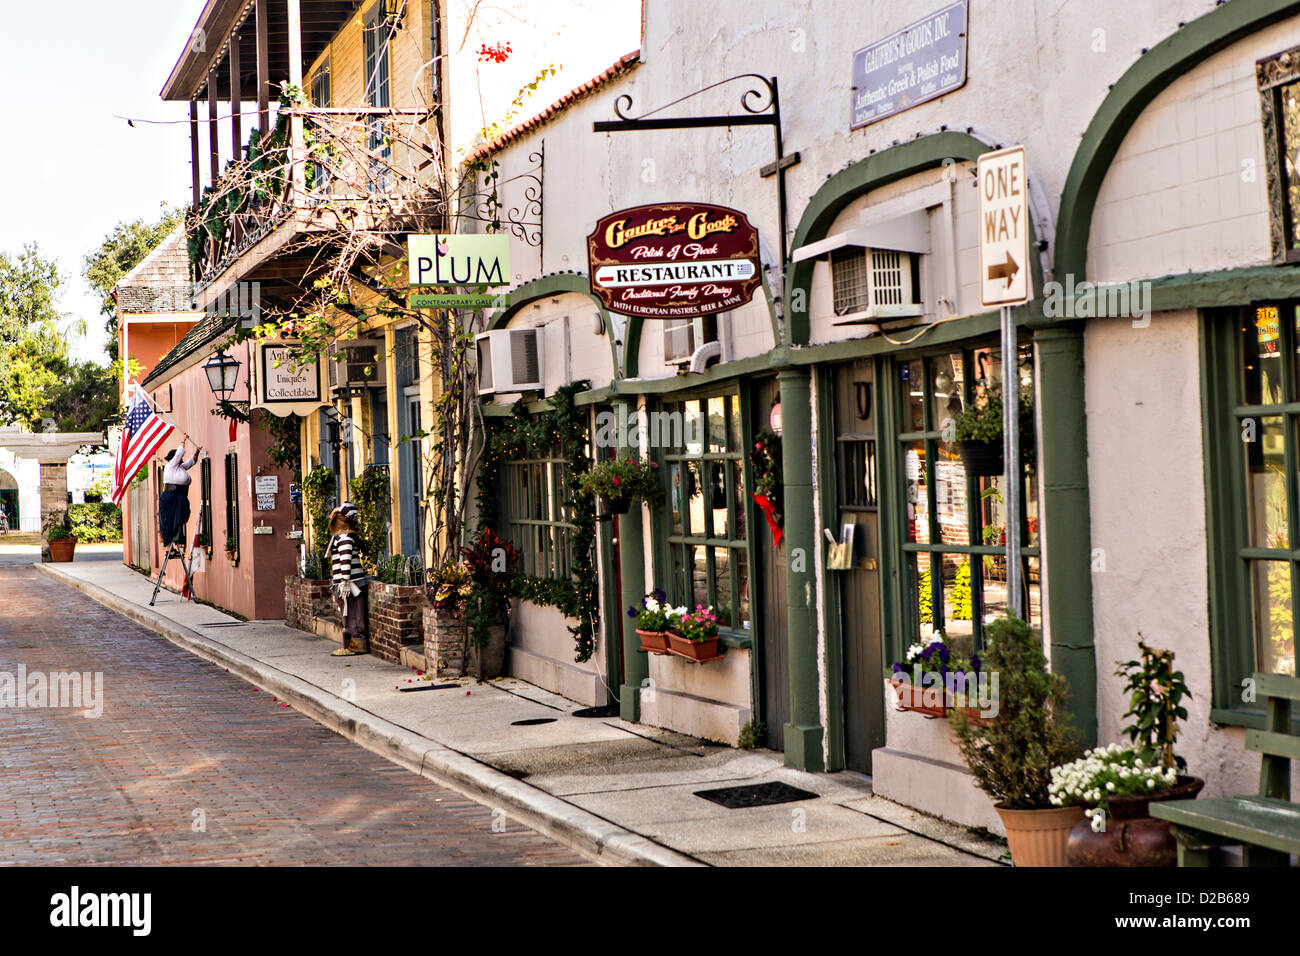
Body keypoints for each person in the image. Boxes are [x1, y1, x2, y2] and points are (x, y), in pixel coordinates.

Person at [326, 502, 370, 656]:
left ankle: (357, 642)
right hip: (346, 583)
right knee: (348, 613)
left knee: (353, 613)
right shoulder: (341, 537)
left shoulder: (345, 538)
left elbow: (345, 560)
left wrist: (345, 580)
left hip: (351, 584)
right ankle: (351, 643)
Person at [158, 442, 201, 547]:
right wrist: (183, 441)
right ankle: (170, 544)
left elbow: (191, 461)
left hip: (179, 497)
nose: (181, 460)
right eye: (179, 459)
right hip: (171, 497)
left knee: (182, 516)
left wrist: (197, 452)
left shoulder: (180, 468)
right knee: (170, 521)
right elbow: (179, 454)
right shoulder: (171, 466)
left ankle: (177, 538)